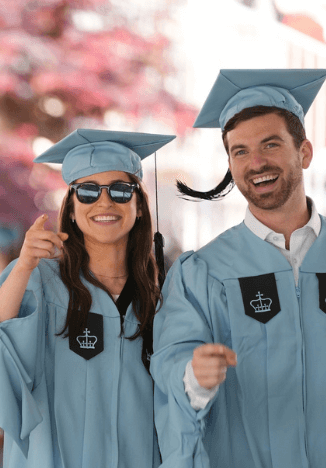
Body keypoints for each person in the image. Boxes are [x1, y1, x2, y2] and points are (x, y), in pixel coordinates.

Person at [0, 129, 174, 467]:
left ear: (139, 207)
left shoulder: (158, 297)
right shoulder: (41, 283)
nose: (104, 202)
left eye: (121, 191)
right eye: (88, 191)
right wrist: (22, 267)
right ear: (73, 209)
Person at [151, 69, 326, 467]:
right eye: (240, 151)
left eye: (270, 144)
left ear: (304, 153)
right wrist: (194, 375)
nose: (256, 162)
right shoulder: (204, 273)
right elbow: (170, 362)